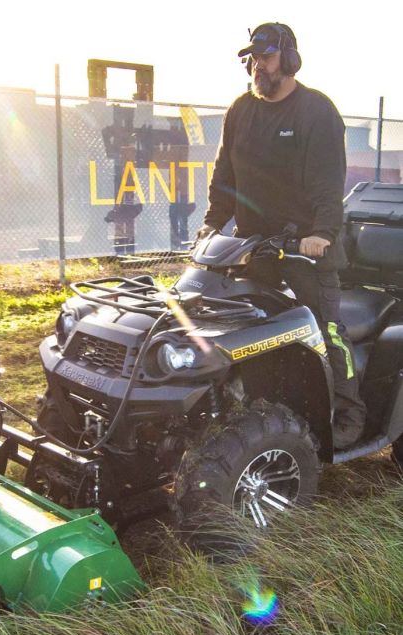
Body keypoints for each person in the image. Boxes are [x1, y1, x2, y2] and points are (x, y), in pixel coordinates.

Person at [197, 22, 366, 449]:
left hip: (307, 249)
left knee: (327, 330)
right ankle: (263, 412)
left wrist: (323, 233)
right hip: (254, 248)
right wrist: (213, 224)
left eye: (266, 57)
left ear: (288, 59)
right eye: (252, 59)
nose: (258, 67)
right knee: (250, 332)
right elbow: (225, 176)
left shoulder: (316, 112)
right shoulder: (241, 109)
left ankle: (349, 412)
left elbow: (329, 183)